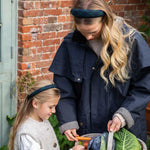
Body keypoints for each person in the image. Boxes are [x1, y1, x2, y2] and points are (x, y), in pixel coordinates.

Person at [49, 0, 150, 143]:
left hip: (125, 134)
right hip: (87, 133)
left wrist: (123, 115)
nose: (88, 38)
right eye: (82, 32)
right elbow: (63, 89)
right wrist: (68, 120)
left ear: (106, 22)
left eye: (93, 32)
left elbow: (145, 86)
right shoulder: (70, 44)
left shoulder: (131, 41)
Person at [8, 80, 84, 150]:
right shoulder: (27, 133)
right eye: (51, 107)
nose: (54, 111)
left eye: (55, 107)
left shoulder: (43, 121)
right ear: (35, 104)